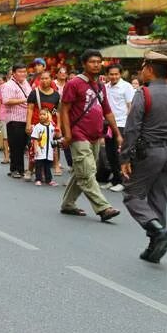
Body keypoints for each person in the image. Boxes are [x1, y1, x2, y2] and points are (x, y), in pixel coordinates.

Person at [120, 52, 167, 263]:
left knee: (132, 195)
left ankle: (158, 232)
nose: (141, 71)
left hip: (150, 153)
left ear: (150, 69)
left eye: (143, 67)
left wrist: (124, 157)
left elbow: (132, 128)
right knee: (159, 198)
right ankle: (155, 247)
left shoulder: (144, 93)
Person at [58, 50, 122, 221]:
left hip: (95, 135)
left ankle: (68, 204)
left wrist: (117, 134)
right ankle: (103, 207)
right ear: (84, 64)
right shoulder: (74, 83)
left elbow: (107, 111)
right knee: (87, 172)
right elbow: (63, 110)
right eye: (92, 62)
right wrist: (67, 134)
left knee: (82, 171)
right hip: (78, 134)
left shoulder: (101, 85)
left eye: (99, 62)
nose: (96, 65)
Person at [102, 65, 135, 192]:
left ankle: (124, 181)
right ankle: (115, 179)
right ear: (107, 74)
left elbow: (130, 106)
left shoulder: (126, 87)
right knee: (110, 154)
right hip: (108, 124)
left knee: (121, 154)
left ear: (120, 74)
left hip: (122, 124)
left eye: (116, 74)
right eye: (111, 74)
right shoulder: (105, 87)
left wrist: (130, 125)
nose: (114, 76)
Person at [0, 64, 32, 179]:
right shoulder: (8, 85)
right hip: (14, 119)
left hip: (26, 118)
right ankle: (14, 169)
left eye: (24, 71)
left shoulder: (26, 83)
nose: (23, 74)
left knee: (22, 145)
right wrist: (25, 100)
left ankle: (20, 169)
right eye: (20, 72)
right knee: (15, 145)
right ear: (13, 73)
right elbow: (7, 100)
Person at [25, 71, 61, 178]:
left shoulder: (56, 95)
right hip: (36, 125)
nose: (44, 81)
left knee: (50, 147)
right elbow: (30, 109)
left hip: (50, 126)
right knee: (34, 147)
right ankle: (30, 170)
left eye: (46, 78)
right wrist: (28, 124)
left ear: (51, 79)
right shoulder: (34, 93)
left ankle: (48, 169)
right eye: (42, 79)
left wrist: (58, 126)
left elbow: (57, 112)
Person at [30, 109, 57, 187]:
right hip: (40, 149)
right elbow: (35, 139)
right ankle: (38, 179)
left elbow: (55, 136)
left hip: (49, 149)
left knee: (48, 165)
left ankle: (49, 179)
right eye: (40, 114)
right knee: (39, 165)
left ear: (48, 116)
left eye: (44, 114)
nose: (41, 116)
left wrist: (54, 149)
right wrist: (35, 149)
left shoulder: (52, 126)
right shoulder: (37, 126)